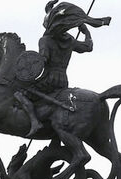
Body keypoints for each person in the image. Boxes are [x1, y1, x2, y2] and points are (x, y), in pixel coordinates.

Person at [15, 1, 111, 137]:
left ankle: (34, 121)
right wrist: (86, 32)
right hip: (62, 81)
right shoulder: (69, 40)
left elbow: (43, 60)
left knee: (21, 93)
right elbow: (88, 47)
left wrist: (29, 67)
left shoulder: (45, 40)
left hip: (48, 80)